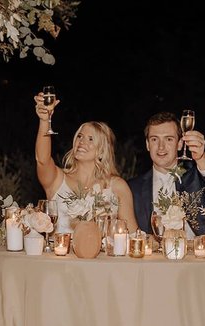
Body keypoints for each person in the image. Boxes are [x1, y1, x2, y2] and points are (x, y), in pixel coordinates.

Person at [34, 93, 138, 233]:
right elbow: (42, 159)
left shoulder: (117, 186)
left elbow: (133, 233)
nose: (82, 142)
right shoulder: (57, 179)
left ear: (102, 151)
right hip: (58, 253)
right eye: (80, 137)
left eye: (90, 139)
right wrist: (45, 121)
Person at [128, 111, 205, 237]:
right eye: (154, 139)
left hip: (197, 253)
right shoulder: (132, 188)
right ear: (147, 145)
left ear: (179, 144)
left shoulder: (194, 174)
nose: (161, 147)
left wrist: (201, 157)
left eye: (169, 139)